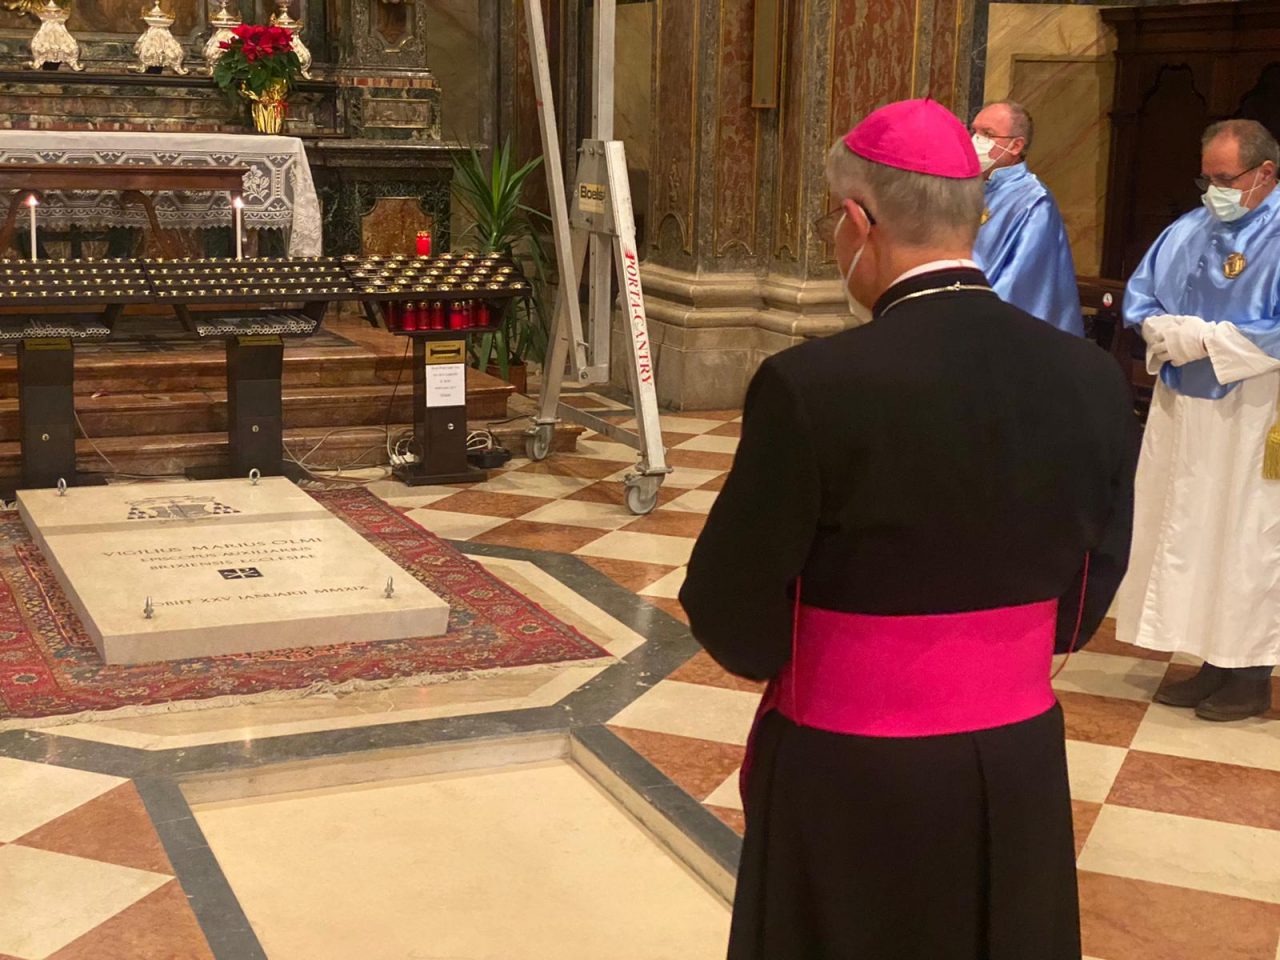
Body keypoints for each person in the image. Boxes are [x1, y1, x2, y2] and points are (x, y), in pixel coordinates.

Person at [679, 98, 1136, 960]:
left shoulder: (811, 385)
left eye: (832, 223)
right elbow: (1093, 576)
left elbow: (730, 598)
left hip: (851, 762)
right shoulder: (1090, 377)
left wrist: (844, 671)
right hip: (1017, 756)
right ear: (978, 213)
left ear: (859, 221)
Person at [1117, 118, 1280, 721]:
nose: (1213, 191)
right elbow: (1141, 299)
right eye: (1206, 178)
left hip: (1257, 409)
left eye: (1224, 178)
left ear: (1265, 173)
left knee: (1245, 536)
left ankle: (1250, 674)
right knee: (1192, 529)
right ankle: (1213, 660)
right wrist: (1168, 332)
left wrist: (1209, 339)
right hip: (1186, 409)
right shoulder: (1188, 228)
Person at [971, 100, 1085, 336]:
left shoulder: (1034, 202)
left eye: (987, 134)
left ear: (1016, 146)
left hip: (1000, 331)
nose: (975, 141)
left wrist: (964, 314)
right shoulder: (970, 190)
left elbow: (1019, 283)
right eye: (974, 131)